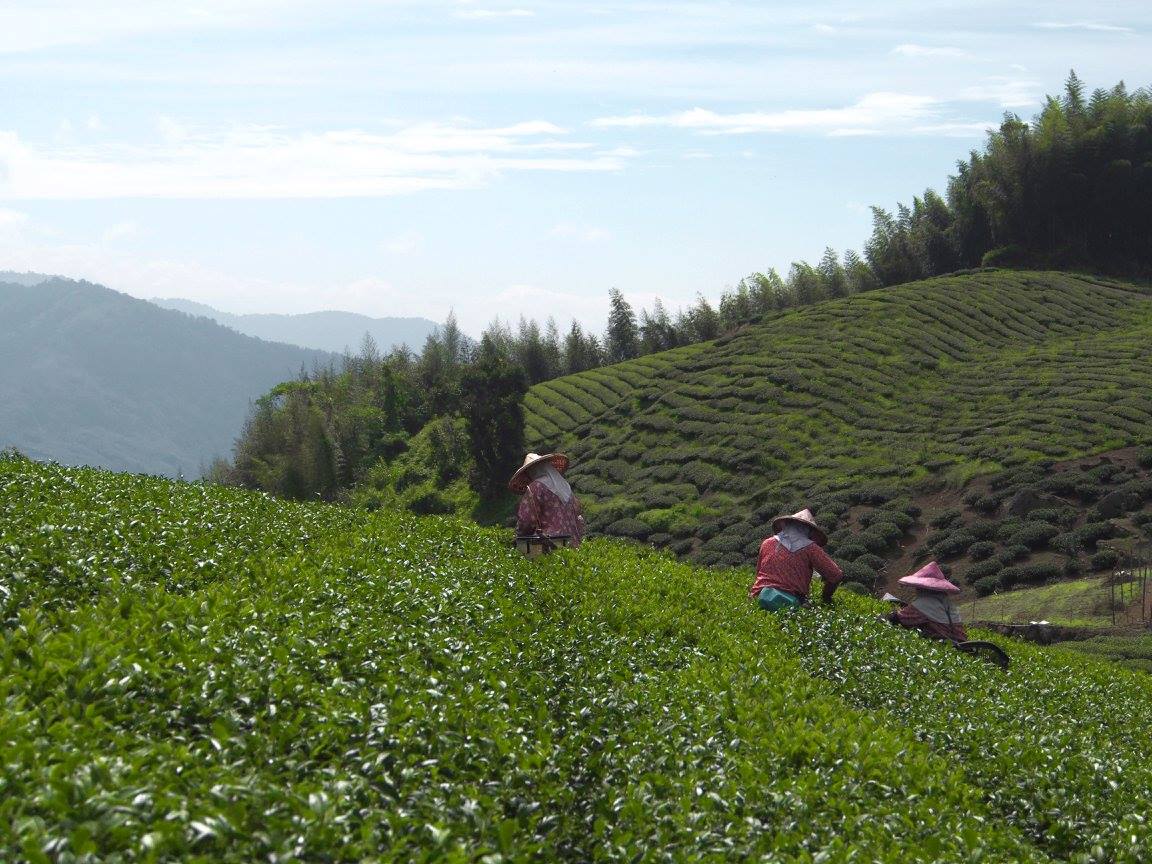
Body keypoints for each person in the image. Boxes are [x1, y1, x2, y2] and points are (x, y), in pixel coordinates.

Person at [748, 508, 843, 610]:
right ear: (808, 530)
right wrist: (826, 597)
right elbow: (836, 575)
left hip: (758, 597)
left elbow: (758, 573)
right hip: (788, 601)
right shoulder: (810, 548)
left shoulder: (767, 543)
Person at [509, 452, 585, 552]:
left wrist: (519, 537)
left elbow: (526, 520)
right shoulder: (566, 488)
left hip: (550, 545)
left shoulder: (536, 487)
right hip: (573, 545)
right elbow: (579, 518)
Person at [888, 561, 967, 642]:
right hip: (960, 642)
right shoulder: (947, 602)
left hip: (944, 644)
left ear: (923, 588)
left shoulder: (923, 603)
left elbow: (897, 618)